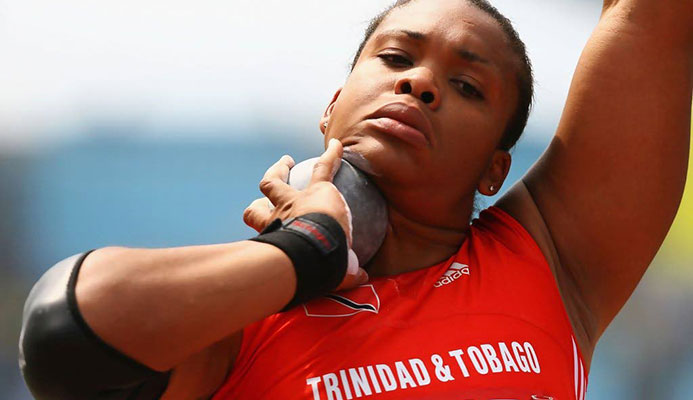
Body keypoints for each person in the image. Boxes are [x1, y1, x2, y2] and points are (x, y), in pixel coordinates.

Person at [18, 0, 692, 399]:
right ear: (332, 108)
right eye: (396, 59)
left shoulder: (551, 258)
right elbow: (63, 335)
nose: (420, 83)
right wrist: (304, 252)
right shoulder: (241, 320)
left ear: (493, 171)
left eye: (467, 87)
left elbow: (653, 17)